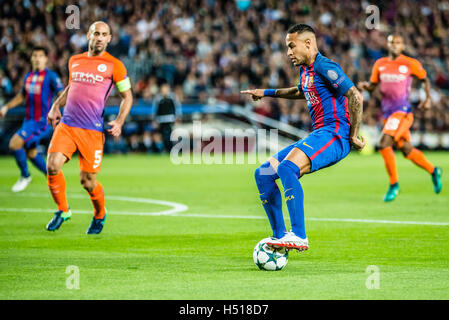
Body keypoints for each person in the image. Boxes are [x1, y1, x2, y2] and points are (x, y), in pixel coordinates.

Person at [241, 24, 365, 251]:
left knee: (287, 168)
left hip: (335, 134)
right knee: (264, 173)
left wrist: (353, 135)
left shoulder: (324, 65)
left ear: (308, 43)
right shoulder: (306, 70)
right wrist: (265, 92)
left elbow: (355, 95)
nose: (288, 52)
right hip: (319, 134)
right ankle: (280, 236)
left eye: (291, 46)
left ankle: (299, 235)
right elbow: (301, 91)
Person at [45, 21, 133, 234]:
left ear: (109, 38)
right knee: (52, 165)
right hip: (67, 124)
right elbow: (71, 86)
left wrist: (119, 121)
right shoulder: (75, 60)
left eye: (104, 34)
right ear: (88, 35)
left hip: (92, 131)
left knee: (88, 181)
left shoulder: (115, 65)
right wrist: (56, 106)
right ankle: (63, 210)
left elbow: (127, 97)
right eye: (96, 33)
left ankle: (100, 213)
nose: (100, 37)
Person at [358, 35, 442, 202]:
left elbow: (425, 79)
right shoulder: (380, 64)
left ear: (402, 45)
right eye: (391, 43)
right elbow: (373, 85)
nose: (394, 45)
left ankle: (394, 185)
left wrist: (427, 98)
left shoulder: (409, 63)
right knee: (406, 149)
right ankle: (434, 170)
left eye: (397, 43)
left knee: (383, 144)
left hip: (402, 112)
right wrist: (366, 86)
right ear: (388, 45)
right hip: (387, 113)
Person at [0, 46, 64, 192]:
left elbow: (62, 93)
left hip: (42, 121)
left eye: (40, 56)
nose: (37, 58)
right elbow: (22, 96)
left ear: (46, 59)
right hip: (29, 121)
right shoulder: (29, 76)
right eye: (34, 55)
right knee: (31, 152)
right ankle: (53, 178)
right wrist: (6, 107)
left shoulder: (51, 76)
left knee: (15, 143)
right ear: (31, 58)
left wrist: (57, 109)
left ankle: (25, 175)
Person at [152, 83, 181, 152]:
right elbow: (154, 110)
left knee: (174, 136)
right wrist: (154, 120)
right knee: (159, 136)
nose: (165, 90)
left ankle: (175, 150)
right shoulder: (158, 99)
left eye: (166, 89)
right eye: (163, 89)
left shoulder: (173, 97)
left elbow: (177, 108)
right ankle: (161, 149)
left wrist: (178, 118)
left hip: (171, 120)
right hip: (160, 121)